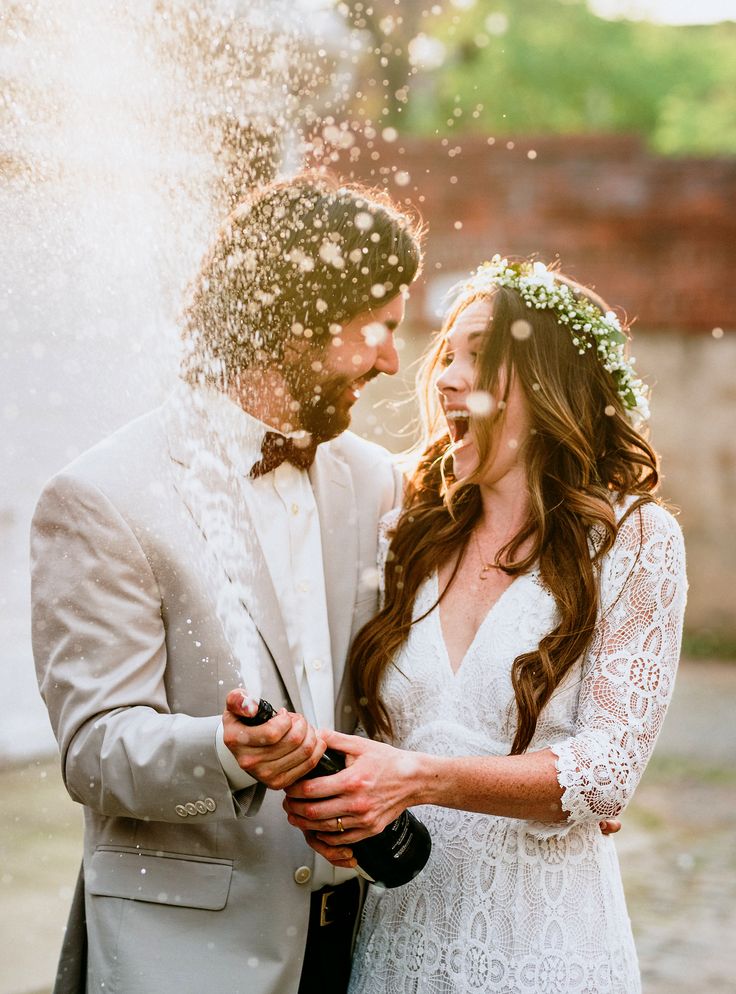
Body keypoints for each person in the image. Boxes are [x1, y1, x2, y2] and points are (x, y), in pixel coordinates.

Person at [30, 173, 423, 994]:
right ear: (299, 321)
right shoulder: (103, 494)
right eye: (379, 328)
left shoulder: (376, 481)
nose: (393, 359)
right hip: (190, 955)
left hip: (366, 943)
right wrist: (226, 750)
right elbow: (95, 752)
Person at [283, 256, 687, 994]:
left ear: (547, 381)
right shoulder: (403, 525)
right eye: (449, 354)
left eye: (479, 355)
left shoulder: (634, 539)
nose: (443, 376)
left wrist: (420, 778)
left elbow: (605, 775)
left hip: (548, 947)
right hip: (398, 945)